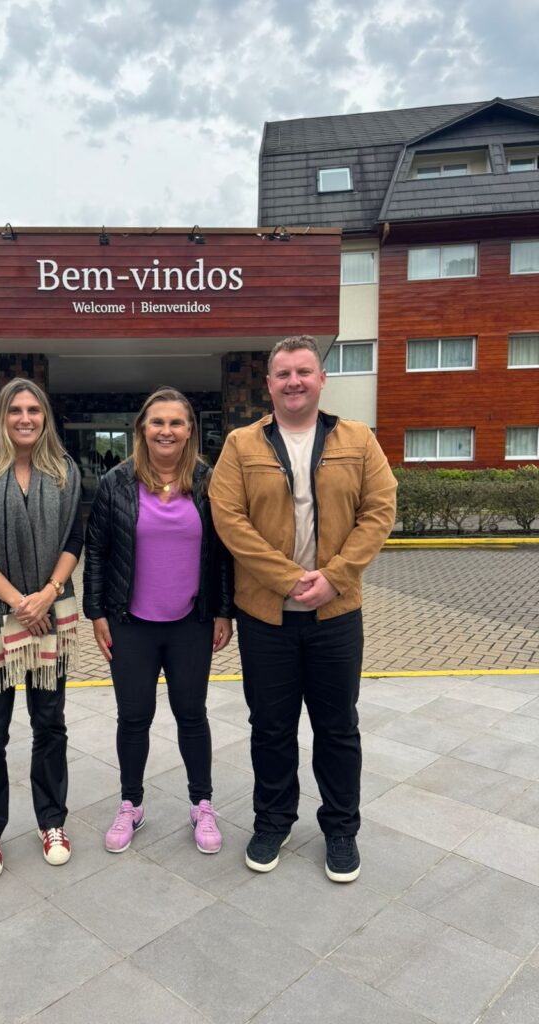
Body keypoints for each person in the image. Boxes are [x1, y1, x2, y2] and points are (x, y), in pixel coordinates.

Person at [209, 336, 396, 881]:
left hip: (336, 615)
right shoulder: (242, 445)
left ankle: (341, 829)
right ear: (269, 385)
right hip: (266, 617)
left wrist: (334, 579)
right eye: (283, 373)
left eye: (304, 372)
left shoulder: (358, 440)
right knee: (270, 727)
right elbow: (229, 520)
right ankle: (273, 821)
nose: (294, 381)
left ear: (321, 379)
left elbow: (379, 511)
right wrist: (288, 579)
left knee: (338, 728)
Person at [83, 387, 234, 855]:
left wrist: (224, 609)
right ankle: (131, 803)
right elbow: (98, 552)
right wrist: (96, 614)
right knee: (134, 717)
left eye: (176, 422)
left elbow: (226, 552)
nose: (166, 431)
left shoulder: (211, 481)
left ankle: (202, 804)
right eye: (157, 422)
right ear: (141, 429)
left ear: (190, 429)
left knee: (192, 716)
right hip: (130, 623)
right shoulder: (116, 483)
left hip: (192, 620)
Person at [0, 378, 83, 879]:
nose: (25, 418)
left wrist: (47, 594)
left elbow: (76, 537)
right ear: (1, 417)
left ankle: (52, 821)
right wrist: (17, 602)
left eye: (34, 410)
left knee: (50, 722)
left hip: (50, 610)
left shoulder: (65, 472)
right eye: (15, 410)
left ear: (45, 417)